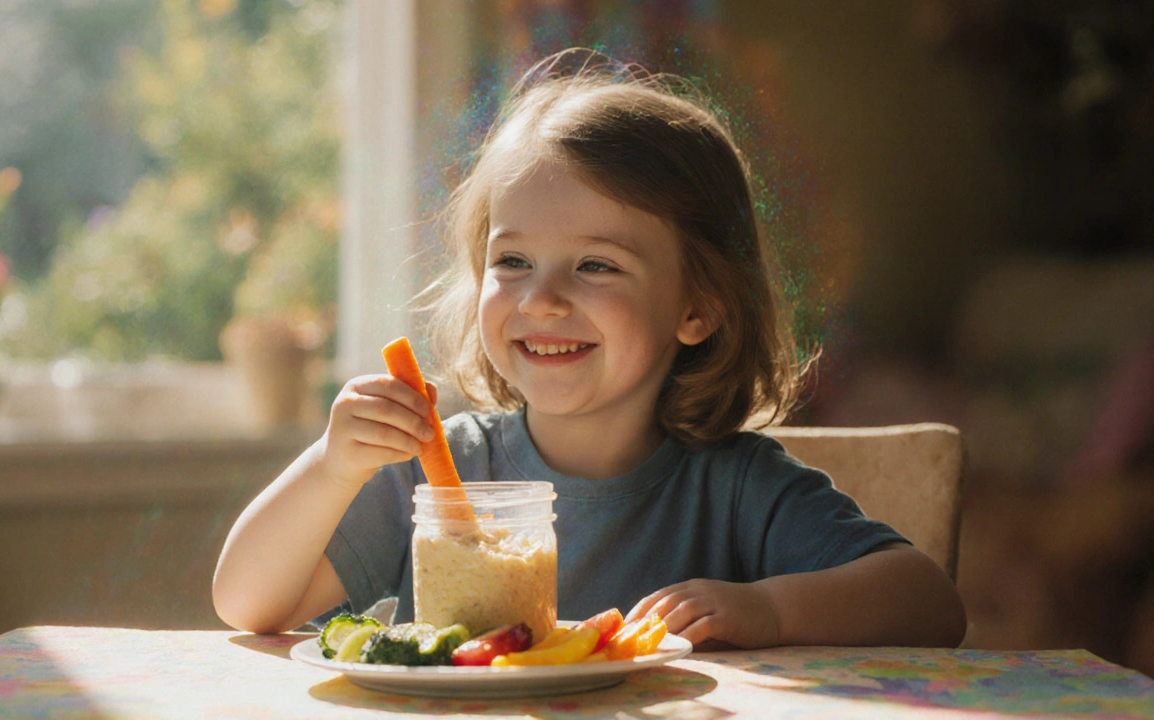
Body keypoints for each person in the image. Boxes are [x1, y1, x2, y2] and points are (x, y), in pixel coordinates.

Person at [213, 49, 967, 649]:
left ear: (698, 307)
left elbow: (929, 603)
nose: (542, 299)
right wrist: (329, 467)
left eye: (596, 265)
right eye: (511, 262)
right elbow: (246, 603)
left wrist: (768, 608)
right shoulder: (437, 475)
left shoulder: (736, 488)